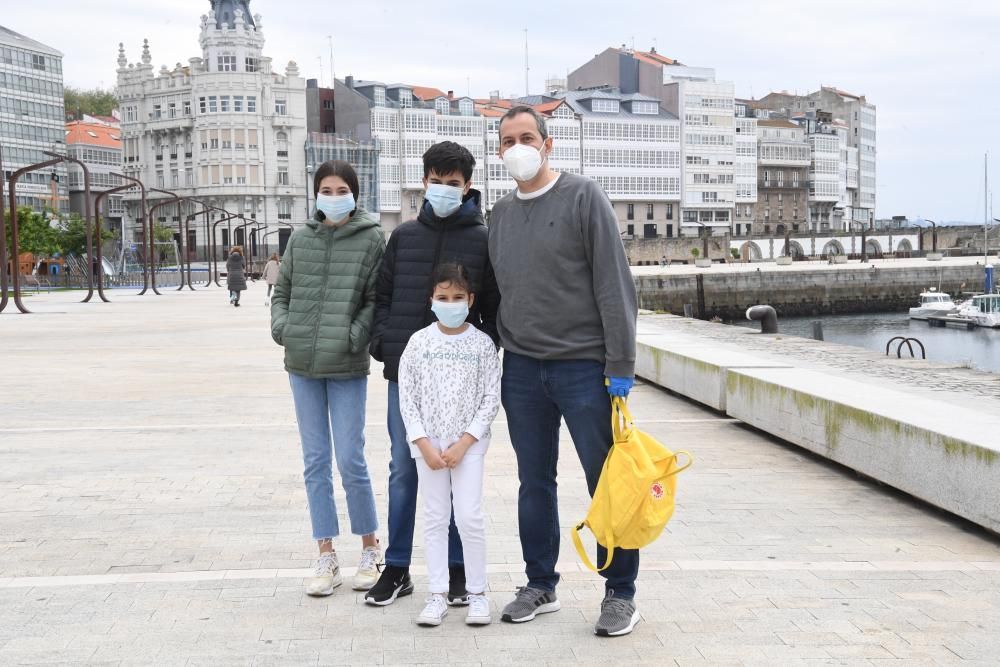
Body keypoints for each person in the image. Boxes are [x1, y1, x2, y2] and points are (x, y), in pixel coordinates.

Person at [488, 106, 640, 637]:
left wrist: (620, 363)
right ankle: (540, 583)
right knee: (535, 483)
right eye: (508, 140)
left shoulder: (583, 197)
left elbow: (614, 285)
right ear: (500, 151)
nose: (518, 147)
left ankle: (620, 592)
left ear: (547, 144)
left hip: (584, 368)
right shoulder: (499, 215)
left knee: (607, 483)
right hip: (524, 370)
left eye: (527, 137)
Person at [365, 141, 500, 607]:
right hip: (408, 375)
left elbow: (493, 308)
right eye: (437, 182)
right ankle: (398, 566)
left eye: (454, 184)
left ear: (467, 188)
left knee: (458, 470)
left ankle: (459, 573)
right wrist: (385, 343)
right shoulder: (403, 236)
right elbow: (381, 297)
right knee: (405, 469)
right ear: (425, 182)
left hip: (461, 380)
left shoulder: (483, 239)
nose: (444, 190)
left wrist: (482, 354)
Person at [270, 160, 386, 597]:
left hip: (346, 366)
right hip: (301, 365)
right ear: (315, 194)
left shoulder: (373, 238)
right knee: (315, 462)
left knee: (350, 460)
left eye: (341, 189)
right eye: (326, 189)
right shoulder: (301, 238)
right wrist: (283, 328)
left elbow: (376, 298)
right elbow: (282, 292)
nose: (333, 196)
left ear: (355, 194)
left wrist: (353, 336)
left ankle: (371, 548)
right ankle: (325, 554)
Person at [397, 263, 500, 627]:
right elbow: (406, 397)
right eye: (443, 297)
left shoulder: (483, 344)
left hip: (468, 445)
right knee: (435, 517)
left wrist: (465, 441)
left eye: (458, 297)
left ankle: (477, 594)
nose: (451, 303)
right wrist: (423, 442)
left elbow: (490, 398)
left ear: (470, 300)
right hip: (428, 446)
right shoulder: (419, 342)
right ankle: (437, 593)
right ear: (432, 300)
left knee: (469, 516)